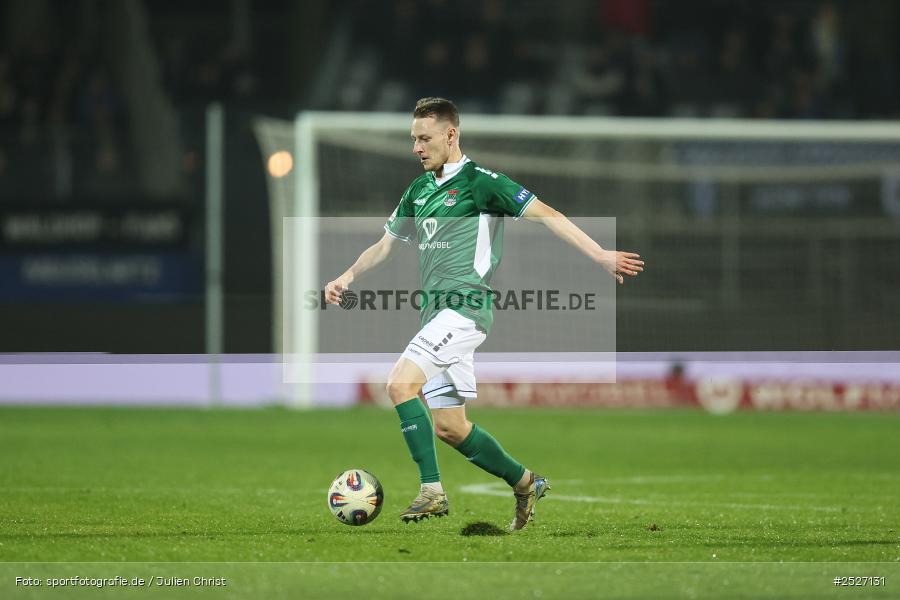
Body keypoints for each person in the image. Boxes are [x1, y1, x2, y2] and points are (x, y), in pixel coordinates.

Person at [324, 97, 644, 530]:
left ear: (450, 134)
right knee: (451, 428)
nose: (417, 147)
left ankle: (432, 491)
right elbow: (385, 246)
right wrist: (347, 275)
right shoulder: (418, 191)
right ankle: (526, 482)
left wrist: (600, 254)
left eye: (425, 138)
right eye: (413, 139)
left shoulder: (482, 183)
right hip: (435, 316)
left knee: (399, 385)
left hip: (465, 309)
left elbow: (547, 214)